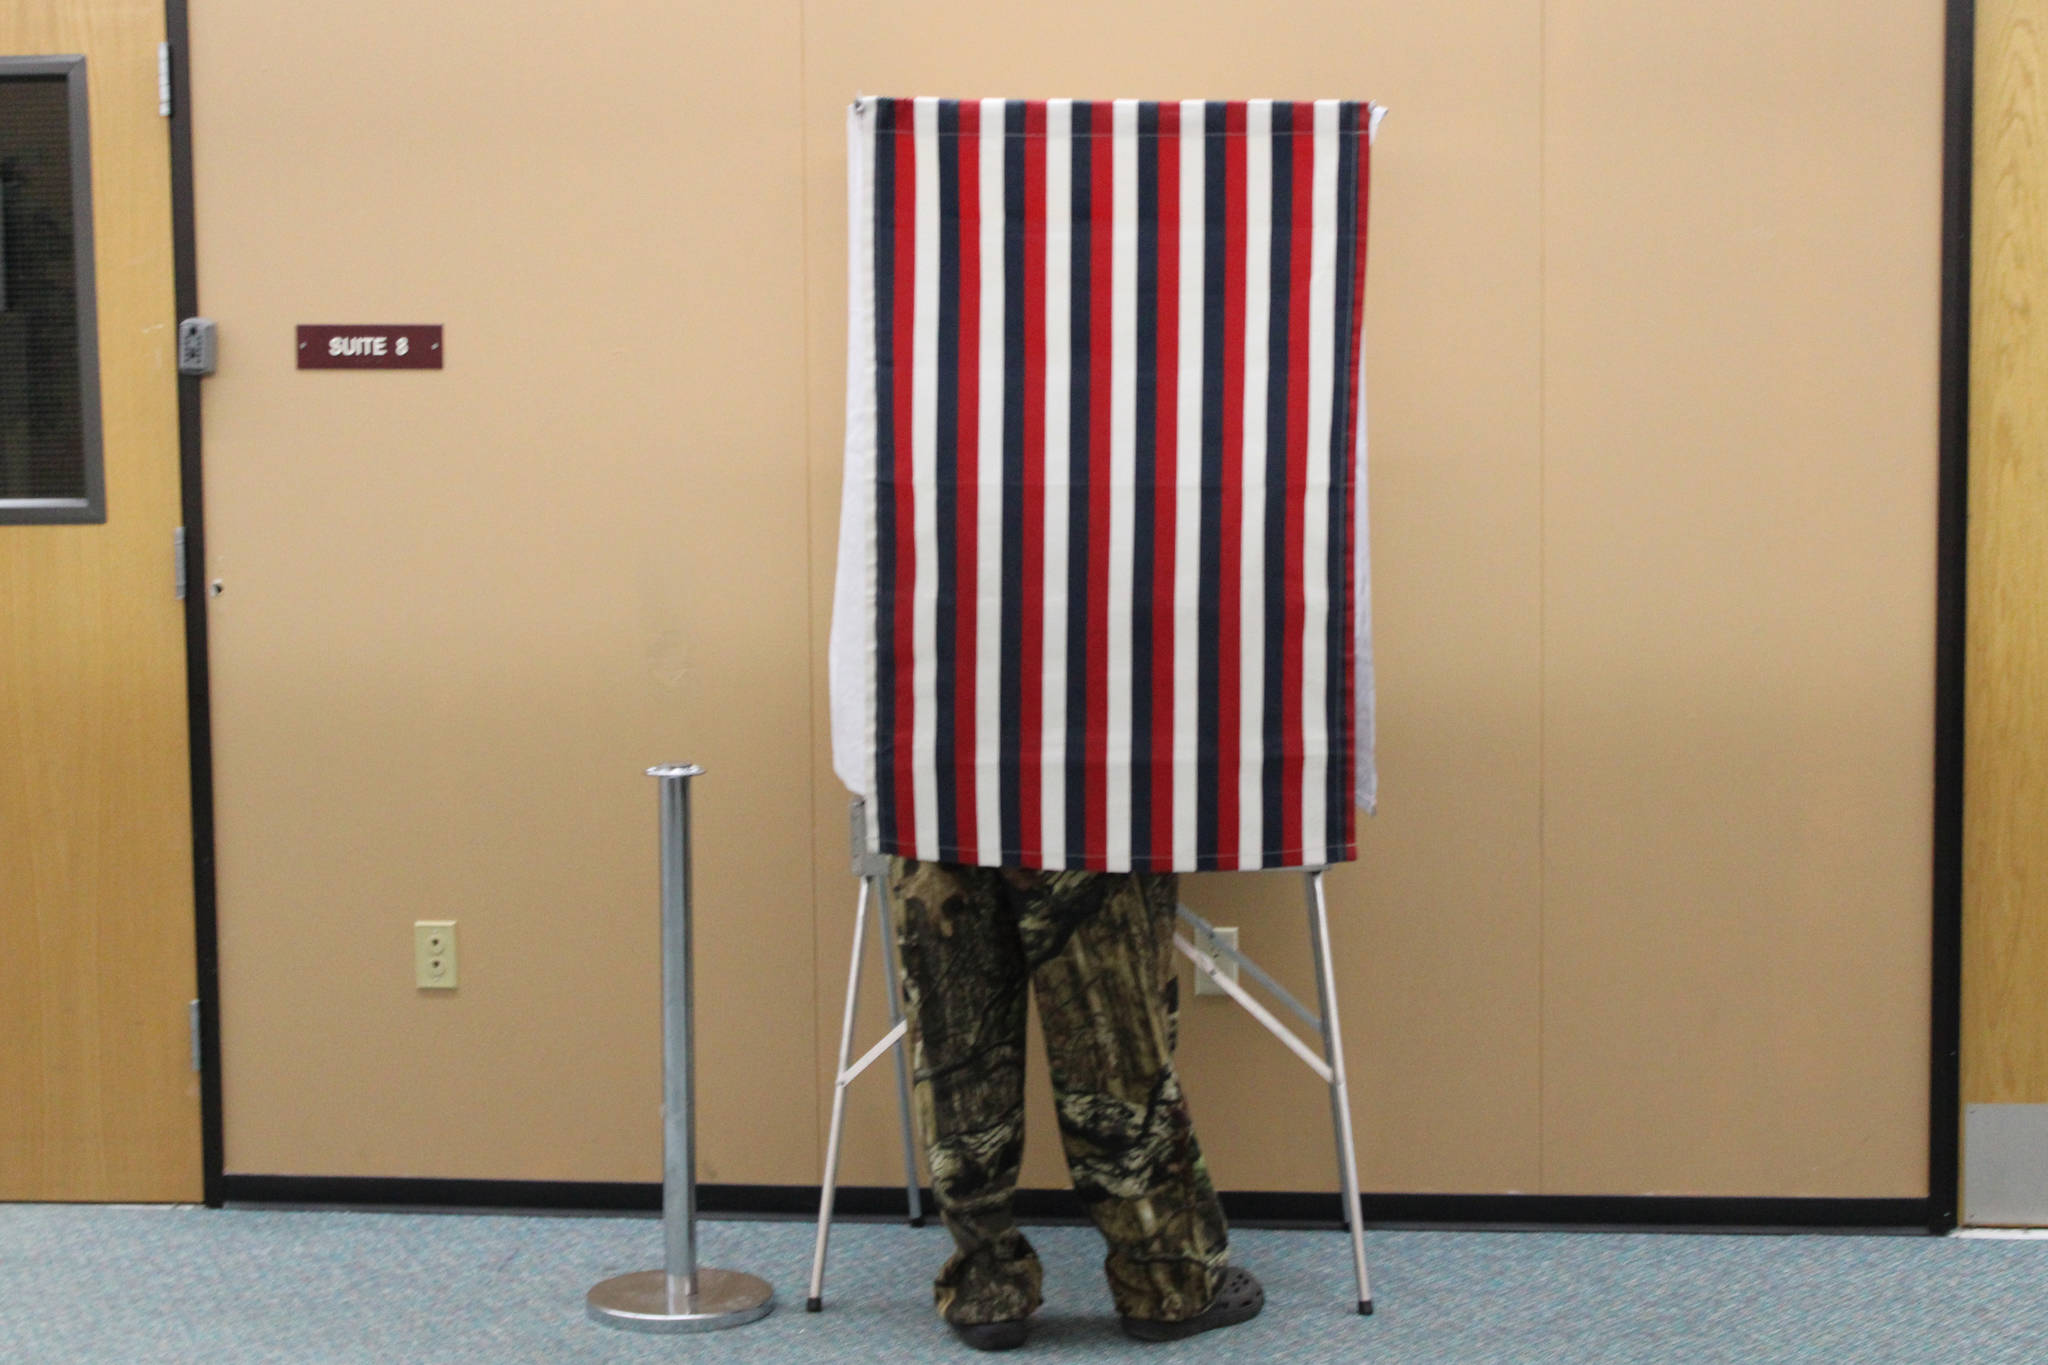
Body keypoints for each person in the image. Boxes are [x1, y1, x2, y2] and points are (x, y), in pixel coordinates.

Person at [889, 857, 1264, 1351]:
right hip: (1090, 805)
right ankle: (1164, 1284)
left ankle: (988, 1286)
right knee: (1112, 1036)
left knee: (958, 1049)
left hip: (938, 796)